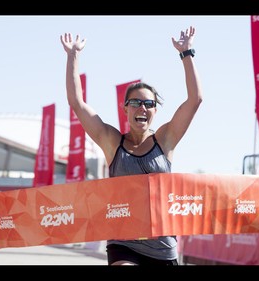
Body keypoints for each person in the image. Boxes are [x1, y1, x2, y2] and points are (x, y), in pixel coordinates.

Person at [60, 26, 202, 265]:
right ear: (125, 108)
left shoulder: (166, 140)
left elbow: (195, 99)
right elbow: (77, 103)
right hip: (123, 244)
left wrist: (186, 53)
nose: (142, 108)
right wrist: (72, 56)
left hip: (162, 248)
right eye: (135, 102)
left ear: (155, 111)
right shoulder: (112, 141)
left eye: (148, 103)